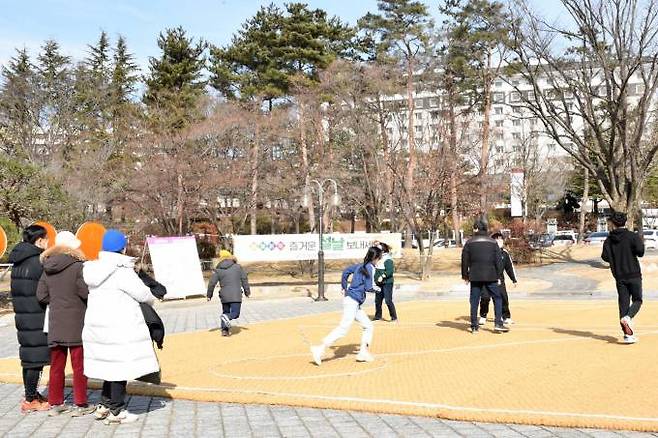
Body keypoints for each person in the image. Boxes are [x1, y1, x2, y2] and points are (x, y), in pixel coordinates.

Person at [82, 229, 160, 424]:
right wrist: (153, 296)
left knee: (109, 366)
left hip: (98, 326)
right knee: (120, 368)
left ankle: (104, 405)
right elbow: (144, 295)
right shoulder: (121, 270)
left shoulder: (93, 269)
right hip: (120, 326)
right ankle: (116, 410)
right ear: (122, 248)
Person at [36, 231, 93, 416]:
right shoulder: (79, 267)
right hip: (77, 322)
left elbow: (41, 295)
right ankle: (80, 403)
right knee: (79, 366)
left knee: (56, 366)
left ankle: (55, 403)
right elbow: (85, 293)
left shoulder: (47, 267)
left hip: (55, 322)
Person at [311, 246, 382, 365]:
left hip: (354, 302)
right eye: (379, 258)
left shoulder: (361, 266)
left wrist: (344, 287)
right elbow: (369, 287)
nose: (378, 261)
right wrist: (380, 288)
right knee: (343, 329)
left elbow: (346, 272)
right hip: (352, 302)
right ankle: (319, 348)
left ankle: (363, 352)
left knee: (368, 326)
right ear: (375, 258)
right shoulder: (370, 267)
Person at [9, 225, 50, 413]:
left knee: (29, 356)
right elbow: (44, 292)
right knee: (36, 358)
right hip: (37, 315)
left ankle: (31, 394)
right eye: (47, 239)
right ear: (39, 240)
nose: (49, 242)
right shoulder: (37, 262)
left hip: (23, 316)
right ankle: (31, 398)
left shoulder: (19, 261)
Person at [601, 211, 644, 344]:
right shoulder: (632, 236)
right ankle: (628, 317)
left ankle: (627, 335)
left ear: (612, 223)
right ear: (625, 222)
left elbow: (605, 257)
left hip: (619, 276)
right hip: (634, 274)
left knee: (623, 304)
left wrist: (616, 257)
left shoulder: (608, 240)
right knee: (637, 300)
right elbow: (640, 252)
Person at [461, 220, 508, 334]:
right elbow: (498, 261)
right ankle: (498, 323)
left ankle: (474, 326)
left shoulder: (469, 243)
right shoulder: (493, 242)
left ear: (476, 229)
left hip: (475, 276)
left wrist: (465, 276)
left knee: (474, 301)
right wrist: (498, 275)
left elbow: (464, 261)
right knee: (497, 298)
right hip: (491, 275)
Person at [207, 249, 251, 336]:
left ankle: (224, 330)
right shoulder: (238, 267)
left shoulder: (218, 270)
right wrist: (247, 292)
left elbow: (212, 283)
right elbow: (244, 279)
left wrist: (209, 295)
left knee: (225, 312)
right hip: (236, 295)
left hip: (224, 296)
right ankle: (227, 318)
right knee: (235, 313)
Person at [479, 232, 517, 326]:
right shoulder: (486, 252)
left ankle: (506, 317)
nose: (499, 241)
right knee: (485, 298)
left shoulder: (504, 253)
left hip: (499, 279)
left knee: (503, 297)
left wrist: (514, 279)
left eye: (501, 239)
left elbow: (509, 268)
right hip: (486, 279)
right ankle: (483, 316)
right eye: (497, 239)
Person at [373, 241, 397, 322]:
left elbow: (390, 271)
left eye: (378, 250)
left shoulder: (388, 259)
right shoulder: (378, 258)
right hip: (379, 283)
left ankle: (394, 317)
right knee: (378, 301)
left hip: (387, 283)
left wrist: (383, 276)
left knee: (388, 300)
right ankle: (377, 316)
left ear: (383, 251)